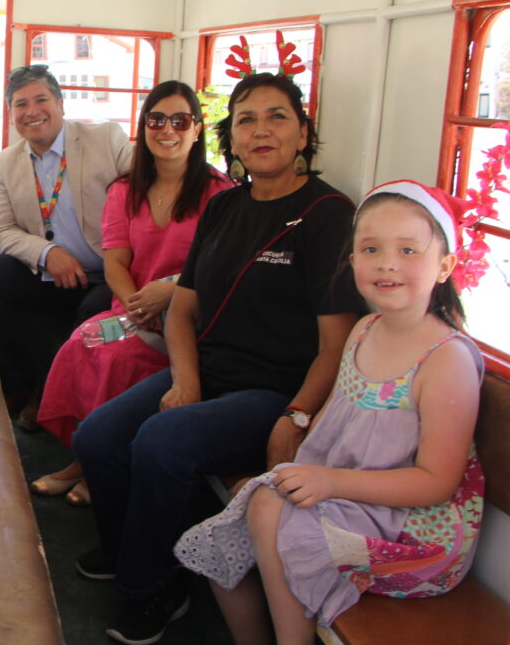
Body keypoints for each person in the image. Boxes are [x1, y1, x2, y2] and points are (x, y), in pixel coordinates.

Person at [70, 70, 367, 645]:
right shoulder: (225, 208)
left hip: (275, 391)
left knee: (163, 441)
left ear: (304, 133)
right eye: (246, 120)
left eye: (277, 117)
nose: (261, 131)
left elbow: (338, 344)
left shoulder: (328, 214)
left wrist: (297, 414)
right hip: (211, 373)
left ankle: (150, 588)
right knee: (97, 437)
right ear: (230, 139)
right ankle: (137, 553)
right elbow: (182, 311)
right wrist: (185, 381)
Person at [176, 180, 484, 645]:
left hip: (413, 532)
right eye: (371, 248)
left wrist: (330, 482)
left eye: (407, 250)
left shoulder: (445, 359)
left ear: (445, 265)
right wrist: (302, 467)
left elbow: (436, 482)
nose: (387, 262)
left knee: (268, 512)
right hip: (350, 492)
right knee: (236, 521)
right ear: (353, 260)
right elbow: (332, 424)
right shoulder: (363, 330)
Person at [30, 81, 233, 505]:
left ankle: (96, 463)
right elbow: (116, 263)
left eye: (180, 120)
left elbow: (221, 269)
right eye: (156, 120)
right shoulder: (125, 190)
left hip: (190, 315)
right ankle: (85, 456)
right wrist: (137, 305)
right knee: (81, 342)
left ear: (197, 129)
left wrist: (170, 293)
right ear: (143, 128)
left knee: (117, 359)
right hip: (137, 310)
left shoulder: (220, 193)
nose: (168, 130)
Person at [0, 64, 134, 424]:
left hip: (110, 273)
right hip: (52, 274)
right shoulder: (8, 161)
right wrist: (47, 253)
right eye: (20, 104)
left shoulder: (106, 139)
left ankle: (60, 401)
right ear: (12, 115)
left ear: (60, 104)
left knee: (92, 311)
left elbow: (146, 198)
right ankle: (19, 385)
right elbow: (0, 231)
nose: (32, 111)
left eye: (41, 99)